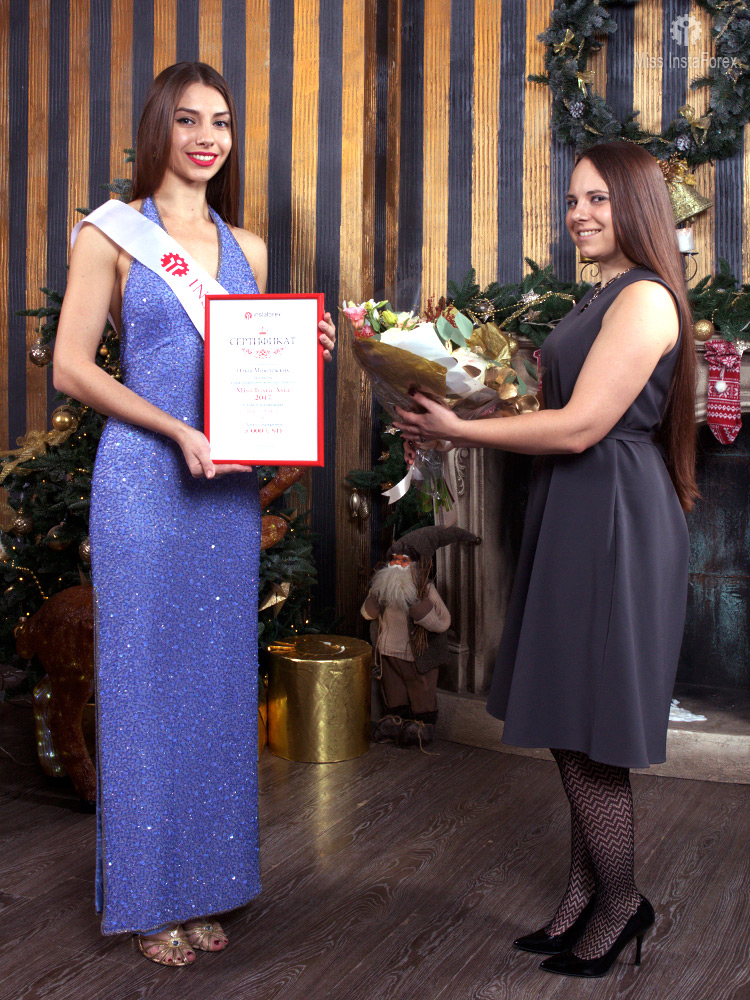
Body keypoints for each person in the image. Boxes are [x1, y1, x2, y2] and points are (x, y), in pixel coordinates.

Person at [53, 61, 336, 966]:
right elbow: (71, 368)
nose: (208, 137)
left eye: (220, 121)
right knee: (142, 688)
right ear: (158, 129)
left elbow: (253, 369)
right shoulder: (112, 234)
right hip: (145, 479)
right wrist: (176, 429)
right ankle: (148, 899)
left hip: (222, 494)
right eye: (188, 119)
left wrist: (305, 350)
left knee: (214, 690)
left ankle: (207, 883)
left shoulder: (248, 246)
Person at [394, 140, 696, 979]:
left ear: (637, 205)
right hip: (578, 507)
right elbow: (549, 407)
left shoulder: (644, 299)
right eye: (572, 200)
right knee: (572, 717)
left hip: (612, 515)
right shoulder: (600, 293)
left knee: (589, 730)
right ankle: (581, 898)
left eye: (598, 199)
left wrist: (461, 433)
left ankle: (623, 904)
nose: (579, 214)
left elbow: (580, 426)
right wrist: (449, 402)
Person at [361, 526, 479, 748]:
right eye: (394, 559)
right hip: (387, 652)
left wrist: (418, 607)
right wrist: (373, 602)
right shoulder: (381, 587)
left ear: (416, 564)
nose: (397, 564)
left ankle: (422, 726)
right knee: (393, 688)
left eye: (404, 561)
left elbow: (443, 622)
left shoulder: (425, 589)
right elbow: (368, 614)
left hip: (415, 655)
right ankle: (395, 720)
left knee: (421, 689)